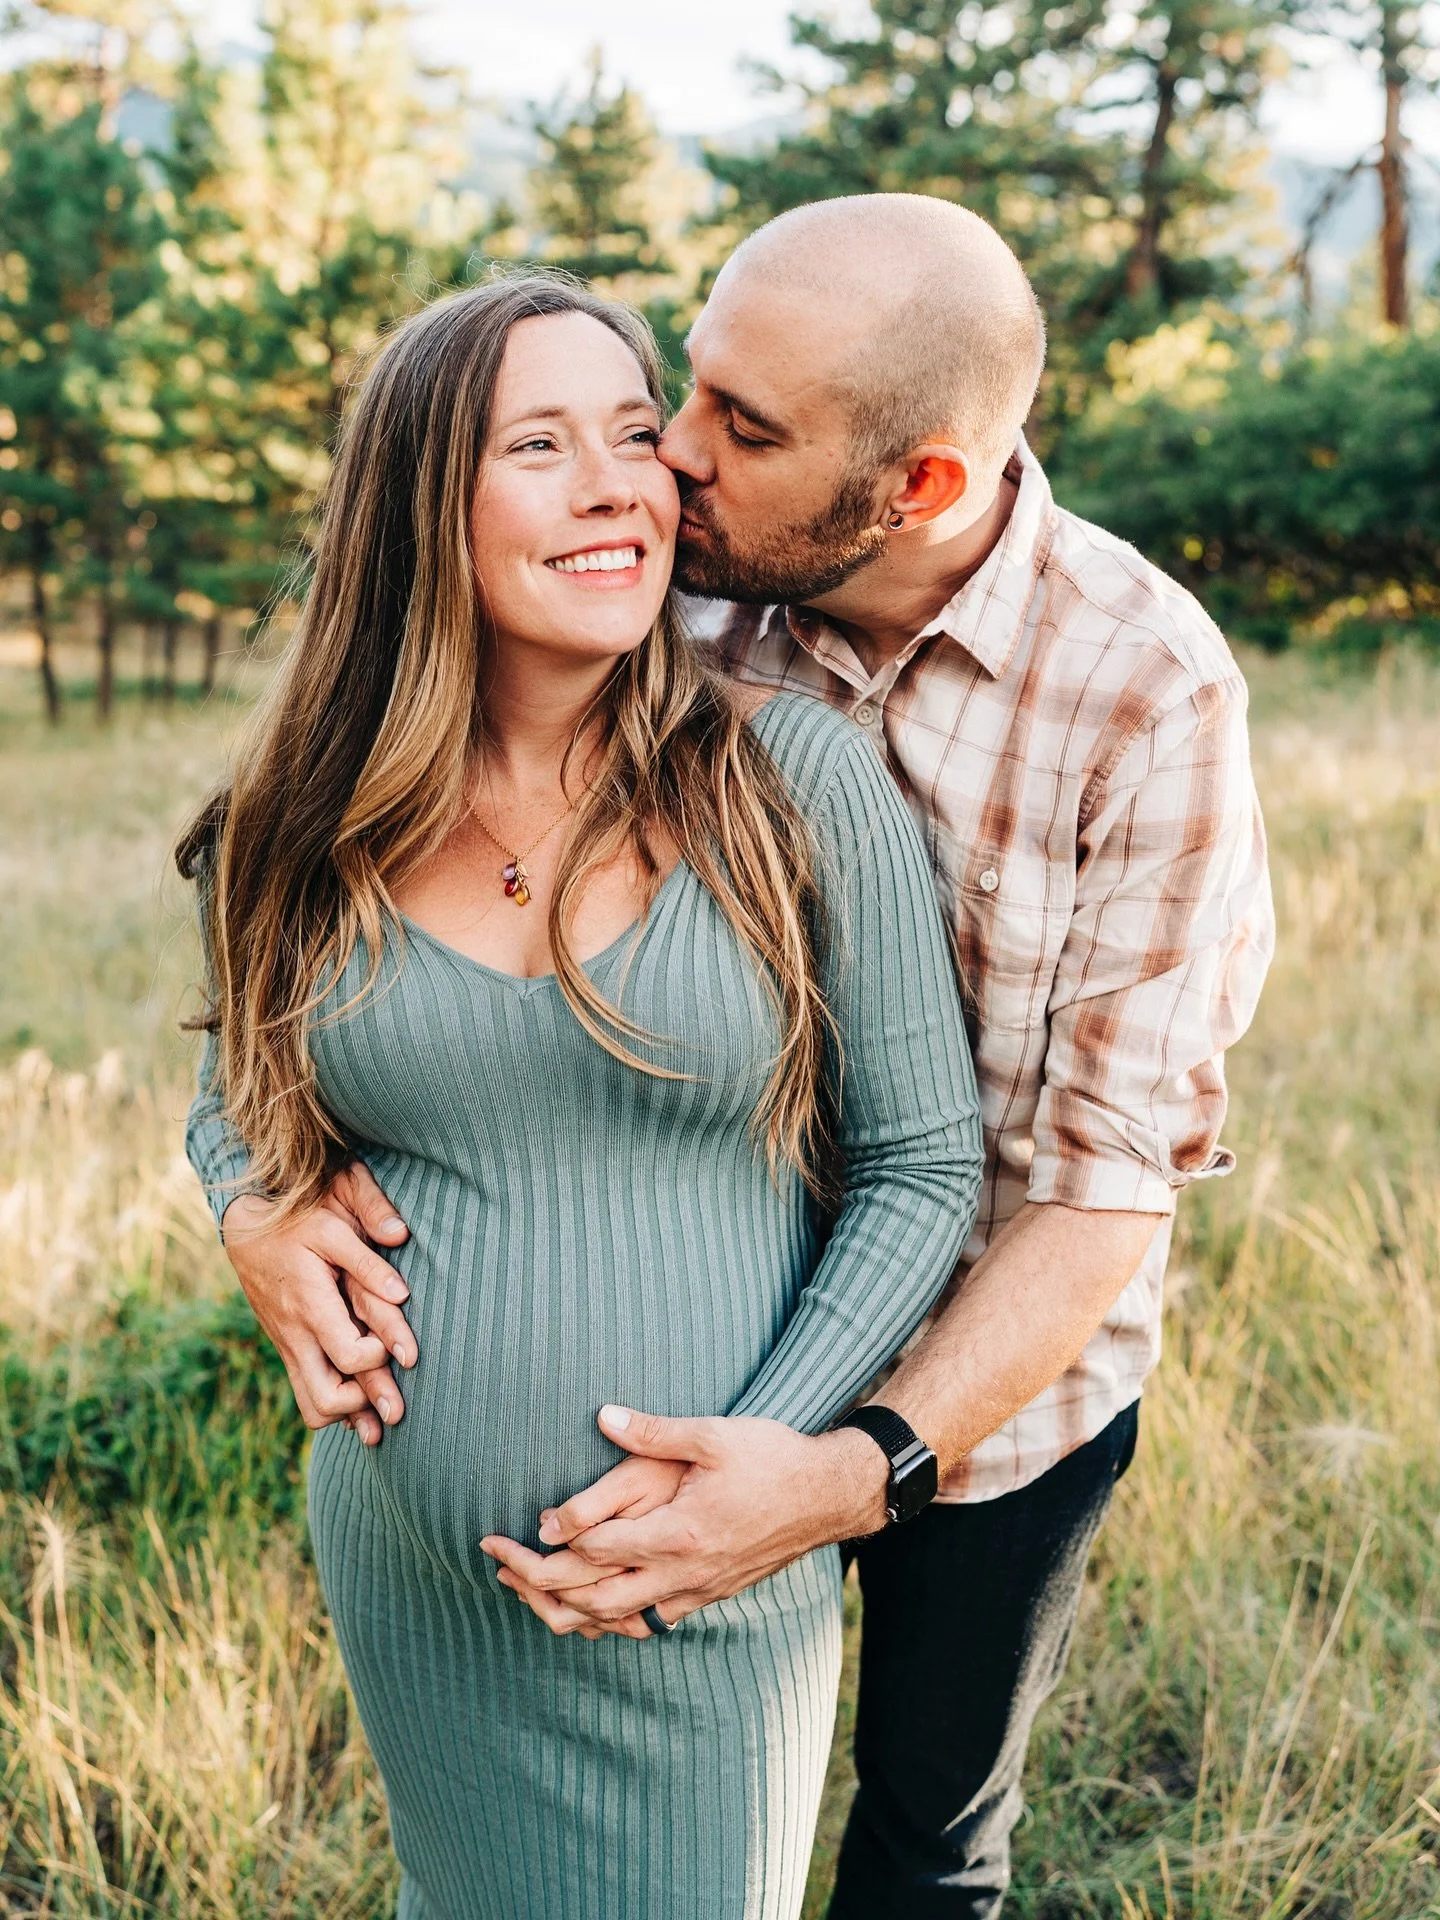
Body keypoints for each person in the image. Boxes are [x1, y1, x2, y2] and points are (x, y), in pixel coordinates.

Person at [452, 197, 1277, 1915]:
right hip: (683, 1349)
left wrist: (849, 1474)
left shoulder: (1147, 693)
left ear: (919, 488)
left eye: (741, 432)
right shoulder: (662, 592)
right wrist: (258, 1186)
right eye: (693, 387)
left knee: (925, 1849)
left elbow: (1099, 1190)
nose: (668, 460)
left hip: (990, 1413)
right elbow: (379, 857)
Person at [180, 271, 982, 1920]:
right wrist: (248, 1203)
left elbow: (922, 1166)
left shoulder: (792, 782)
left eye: (635, 433)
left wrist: (764, 1454)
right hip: (419, 1580)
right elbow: (234, 1096)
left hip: (705, 1575)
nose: (620, 479)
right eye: (537, 443)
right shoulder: (303, 816)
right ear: (424, 506)